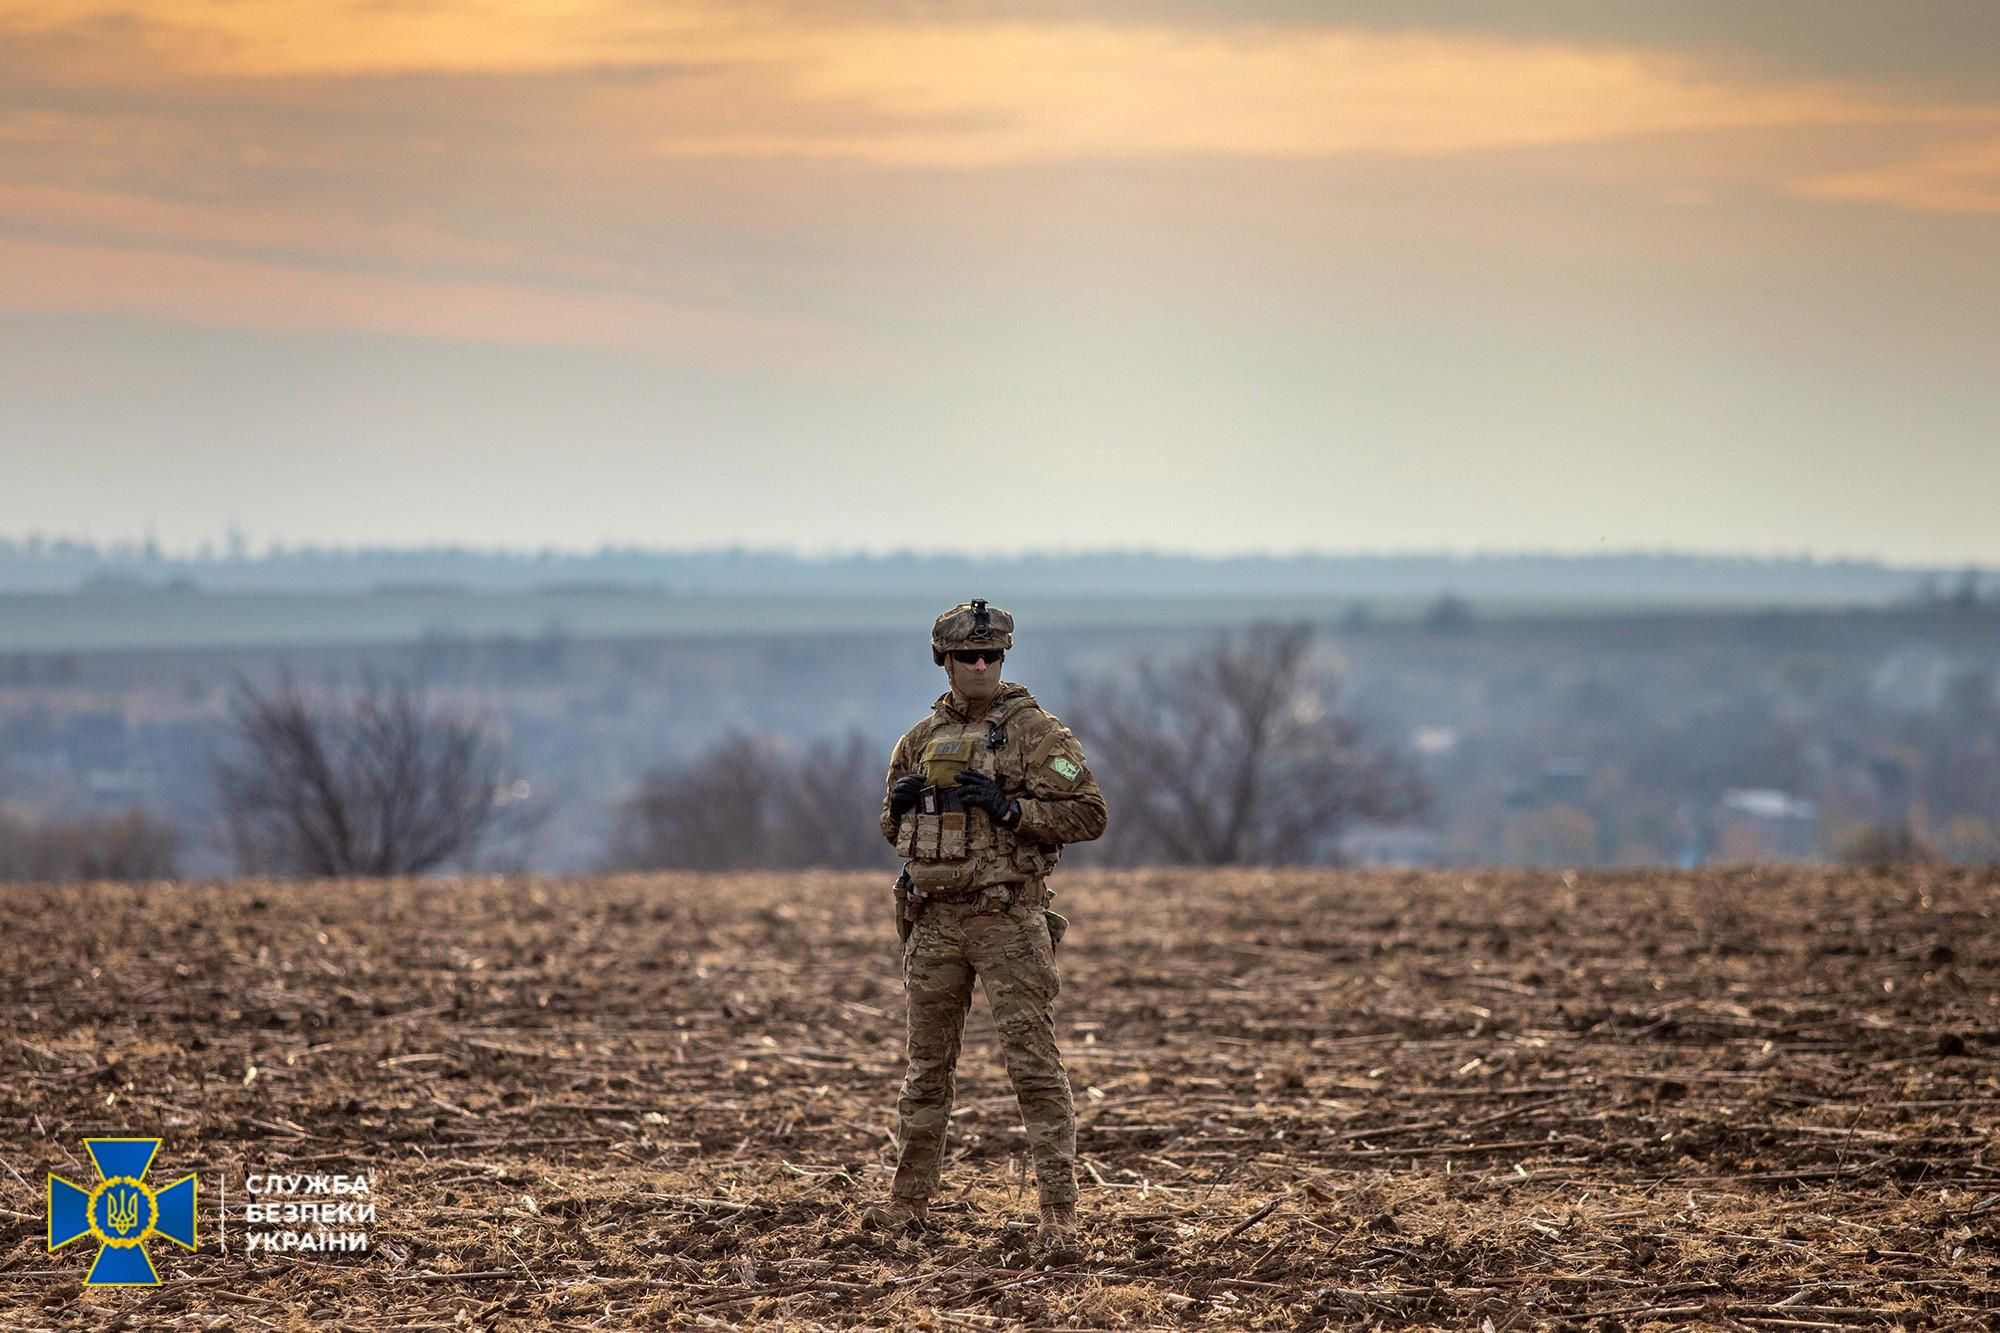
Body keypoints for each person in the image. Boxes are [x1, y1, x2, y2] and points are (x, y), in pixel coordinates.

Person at [863, 599, 1107, 1257]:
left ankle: (1059, 1211)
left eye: (991, 654)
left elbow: (1088, 812)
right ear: (943, 659)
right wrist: (902, 805)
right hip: (936, 920)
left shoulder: (1036, 734)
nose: (979, 664)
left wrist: (1011, 808)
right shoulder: (917, 741)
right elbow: (894, 828)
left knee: (1033, 1063)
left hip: (1006, 918)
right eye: (967, 655)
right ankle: (907, 1204)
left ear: (1004, 657)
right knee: (926, 1069)